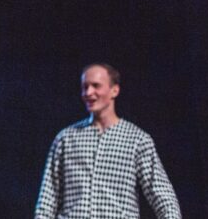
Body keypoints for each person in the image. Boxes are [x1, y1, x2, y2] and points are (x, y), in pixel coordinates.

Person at [34, 63, 181, 219]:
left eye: (96, 86)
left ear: (114, 90)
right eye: (85, 87)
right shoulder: (66, 139)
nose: (88, 92)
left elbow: (165, 200)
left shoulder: (137, 140)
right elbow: (46, 202)